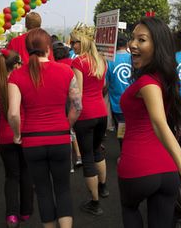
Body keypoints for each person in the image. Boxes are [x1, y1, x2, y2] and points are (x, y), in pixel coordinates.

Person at [117, 17, 181, 228]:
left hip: (139, 166)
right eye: (133, 39)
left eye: (141, 40)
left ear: (158, 45)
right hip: (166, 169)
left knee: (129, 209)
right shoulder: (162, 78)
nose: (133, 44)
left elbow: (159, 122)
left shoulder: (148, 82)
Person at [8, 28, 82, 228]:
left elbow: (13, 113)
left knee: (42, 191)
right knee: (63, 190)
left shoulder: (15, 76)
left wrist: (17, 135)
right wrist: (66, 126)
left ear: (27, 49)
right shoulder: (66, 71)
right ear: (48, 48)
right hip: (59, 138)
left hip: (32, 141)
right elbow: (77, 107)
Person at [0, 49, 33, 228]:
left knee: (11, 176)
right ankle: (26, 211)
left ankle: (12, 215)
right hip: (25, 132)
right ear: (15, 64)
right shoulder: (23, 81)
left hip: (5, 136)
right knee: (26, 172)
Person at [70, 23, 109, 216]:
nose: (72, 45)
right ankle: (103, 187)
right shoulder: (102, 60)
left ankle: (95, 203)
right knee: (97, 150)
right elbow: (102, 86)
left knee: (87, 157)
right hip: (102, 112)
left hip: (85, 114)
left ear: (82, 42)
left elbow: (78, 95)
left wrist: (71, 120)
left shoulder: (78, 62)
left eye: (74, 42)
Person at [52, 40, 82, 169]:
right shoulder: (73, 63)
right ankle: (79, 156)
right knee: (72, 129)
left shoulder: (54, 67)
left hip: (62, 102)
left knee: (66, 131)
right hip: (76, 101)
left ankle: (69, 163)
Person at [106, 33, 131, 149]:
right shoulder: (133, 58)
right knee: (134, 129)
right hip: (133, 101)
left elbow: (106, 83)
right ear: (127, 44)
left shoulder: (110, 61)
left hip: (117, 103)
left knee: (121, 131)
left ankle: (124, 151)